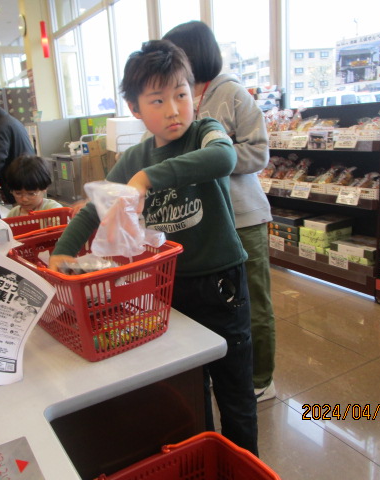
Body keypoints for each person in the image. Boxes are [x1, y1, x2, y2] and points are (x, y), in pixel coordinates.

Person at [48, 40, 258, 455]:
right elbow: (95, 208)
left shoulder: (205, 131)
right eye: (158, 100)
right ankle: (208, 458)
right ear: (135, 109)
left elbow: (223, 159)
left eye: (182, 94)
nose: (174, 109)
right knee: (189, 392)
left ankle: (244, 464)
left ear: (194, 95)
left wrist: (147, 179)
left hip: (221, 287)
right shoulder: (135, 157)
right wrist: (63, 252)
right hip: (168, 294)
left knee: (235, 393)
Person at [164, 21, 276, 402]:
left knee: (254, 301)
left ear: (192, 55)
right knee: (218, 304)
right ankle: (225, 373)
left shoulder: (232, 93)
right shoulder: (182, 97)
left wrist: (212, 159)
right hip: (207, 219)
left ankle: (261, 377)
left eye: (176, 55)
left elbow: (259, 152)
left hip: (244, 216)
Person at [0, 107, 34, 205]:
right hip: (27, 176)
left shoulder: (1, 126)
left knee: (24, 214)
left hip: (20, 181)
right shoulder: (8, 121)